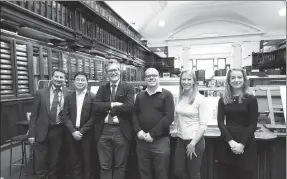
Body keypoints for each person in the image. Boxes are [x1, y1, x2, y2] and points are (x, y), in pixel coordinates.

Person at [93, 59, 135, 179]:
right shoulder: (102, 88)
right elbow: (96, 106)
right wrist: (113, 104)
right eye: (110, 71)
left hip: (121, 131)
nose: (113, 73)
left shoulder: (128, 87)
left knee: (120, 165)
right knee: (105, 165)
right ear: (107, 73)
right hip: (103, 131)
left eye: (115, 70)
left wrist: (110, 110)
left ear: (119, 71)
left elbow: (129, 107)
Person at [133, 68, 174, 179]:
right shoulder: (140, 95)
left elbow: (169, 117)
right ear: (145, 79)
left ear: (159, 77)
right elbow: (135, 114)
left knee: (161, 173)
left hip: (160, 142)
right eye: (148, 76)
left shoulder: (167, 95)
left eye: (154, 75)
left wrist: (152, 134)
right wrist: (138, 131)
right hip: (142, 141)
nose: (151, 78)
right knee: (144, 173)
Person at [28, 69, 70, 179]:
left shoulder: (69, 93)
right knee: (40, 162)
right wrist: (31, 134)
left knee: (54, 161)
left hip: (59, 131)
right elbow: (34, 115)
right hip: (41, 131)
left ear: (65, 80)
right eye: (56, 76)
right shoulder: (40, 93)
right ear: (51, 77)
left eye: (61, 77)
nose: (58, 79)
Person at [217, 68, 258, 179]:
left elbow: (253, 124)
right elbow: (220, 122)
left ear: (244, 79)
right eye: (233, 77)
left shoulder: (251, 99)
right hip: (227, 143)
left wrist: (242, 145)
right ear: (229, 80)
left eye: (239, 77)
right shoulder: (223, 99)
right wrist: (230, 141)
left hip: (246, 145)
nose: (236, 80)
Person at [170, 69, 208, 179]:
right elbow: (177, 114)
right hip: (180, 140)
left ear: (194, 81)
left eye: (189, 79)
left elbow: (203, 125)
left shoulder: (200, 99)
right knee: (178, 171)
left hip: (194, 142)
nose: (186, 82)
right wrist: (175, 127)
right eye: (183, 79)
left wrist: (192, 144)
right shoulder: (179, 97)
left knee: (194, 174)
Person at [62, 72, 95, 179]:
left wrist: (81, 131)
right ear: (74, 81)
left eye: (83, 80)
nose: (80, 82)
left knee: (88, 162)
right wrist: (73, 131)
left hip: (87, 135)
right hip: (72, 134)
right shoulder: (68, 96)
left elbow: (94, 117)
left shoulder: (93, 97)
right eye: (78, 79)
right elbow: (65, 115)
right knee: (74, 161)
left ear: (87, 82)